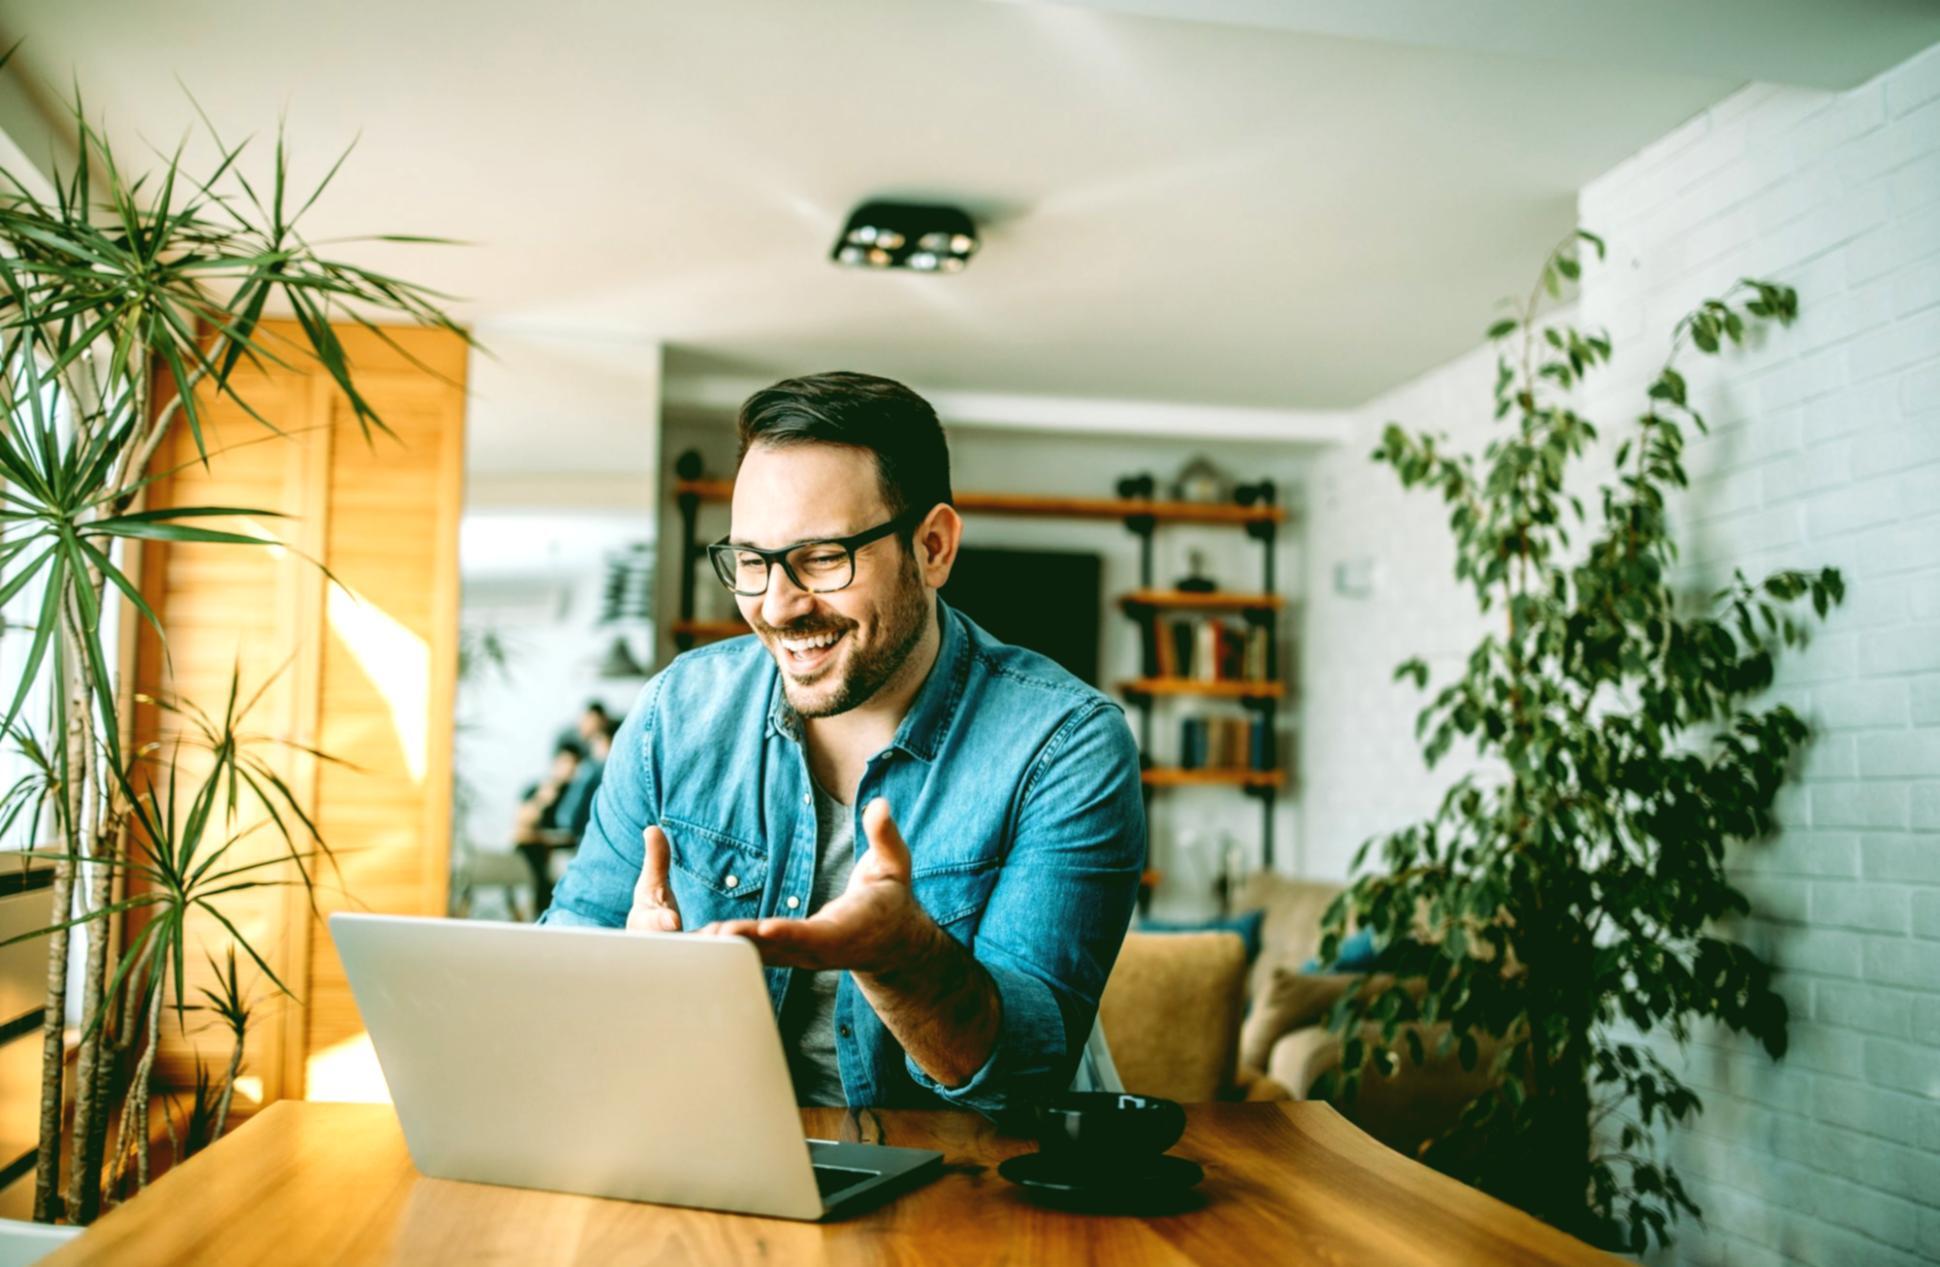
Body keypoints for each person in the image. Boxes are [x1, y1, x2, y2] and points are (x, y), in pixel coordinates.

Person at [541, 371, 1146, 1113]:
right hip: (716, 1151)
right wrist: (624, 979)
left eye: (823, 557)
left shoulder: (1066, 744)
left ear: (932, 546)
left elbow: (1026, 1077)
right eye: (753, 561)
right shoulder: (677, 710)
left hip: (968, 1190)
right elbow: (568, 953)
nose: (777, 605)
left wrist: (902, 960)